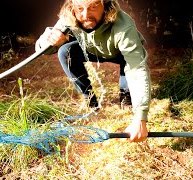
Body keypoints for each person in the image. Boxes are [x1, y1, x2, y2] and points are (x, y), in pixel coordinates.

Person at [35, 0, 151, 142]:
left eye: (94, 6)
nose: (86, 15)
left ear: (105, 4)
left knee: (128, 93)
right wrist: (47, 40)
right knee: (65, 51)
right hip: (91, 50)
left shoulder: (124, 26)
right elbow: (42, 49)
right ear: (72, 7)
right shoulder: (70, 17)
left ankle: (127, 98)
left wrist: (140, 117)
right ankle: (90, 101)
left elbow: (137, 69)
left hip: (121, 54)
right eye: (80, 8)